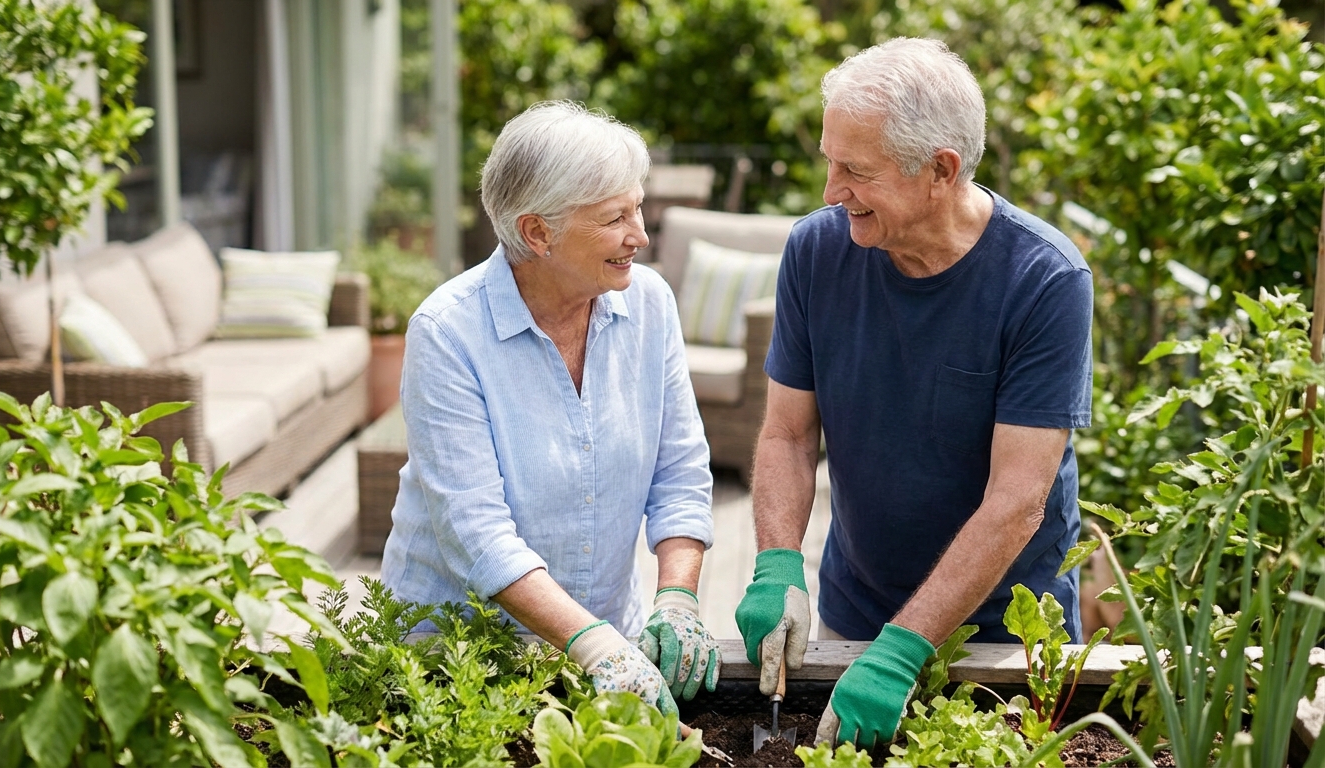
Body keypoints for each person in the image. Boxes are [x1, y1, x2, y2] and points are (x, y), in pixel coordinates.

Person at [734, 38, 1093, 749]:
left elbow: (1017, 502)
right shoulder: (816, 251)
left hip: (1003, 639)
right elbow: (788, 434)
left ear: (941, 170)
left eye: (855, 171)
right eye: (829, 161)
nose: (831, 191)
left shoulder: (1044, 281)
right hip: (852, 610)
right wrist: (779, 562)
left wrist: (905, 649)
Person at [381, 101, 720, 715]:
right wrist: (591, 644)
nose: (640, 236)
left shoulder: (649, 304)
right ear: (538, 233)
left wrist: (676, 599)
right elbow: (476, 533)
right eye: (616, 217)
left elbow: (680, 473)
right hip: (457, 655)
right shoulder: (448, 332)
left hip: (610, 647)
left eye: (638, 208)